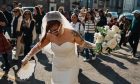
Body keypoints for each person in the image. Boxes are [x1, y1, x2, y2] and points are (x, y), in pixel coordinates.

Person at [21, 11, 95, 84]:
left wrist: (95, 46)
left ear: (61, 24)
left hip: (71, 67)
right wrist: (27, 57)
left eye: (56, 30)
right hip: (57, 67)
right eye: (51, 30)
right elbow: (38, 46)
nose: (53, 32)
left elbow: (84, 43)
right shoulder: (49, 35)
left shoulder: (72, 33)